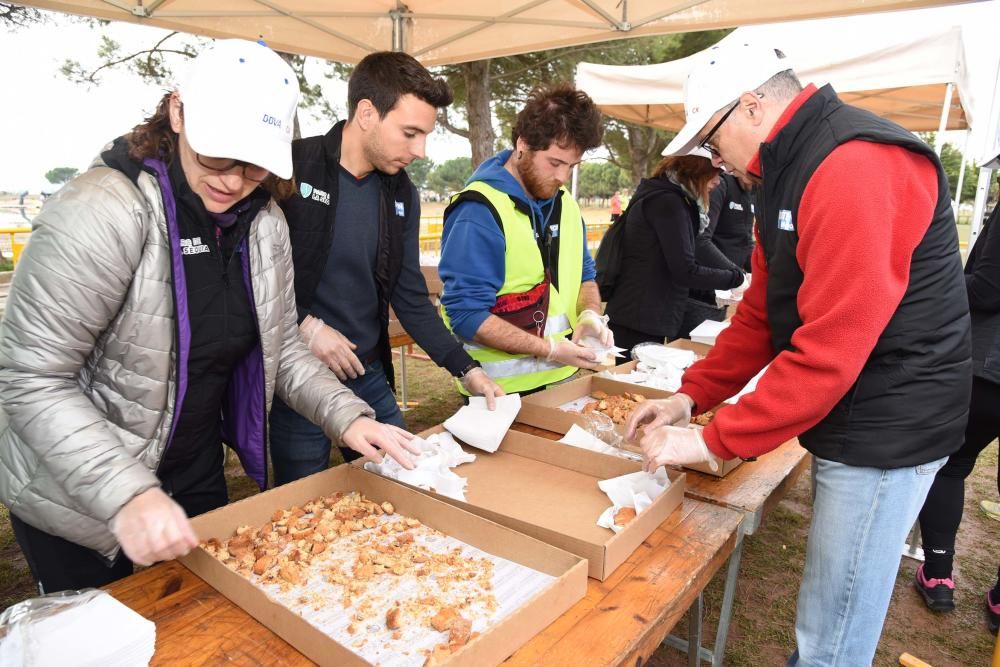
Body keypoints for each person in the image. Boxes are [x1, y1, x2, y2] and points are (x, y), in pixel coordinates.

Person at [0, 40, 418, 594]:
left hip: (192, 465)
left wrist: (348, 416)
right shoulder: (103, 210)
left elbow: (283, 347)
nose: (232, 180)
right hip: (78, 487)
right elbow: (31, 377)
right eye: (218, 157)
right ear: (177, 112)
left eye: (255, 167)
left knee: (195, 614)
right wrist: (127, 491)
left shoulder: (264, 221)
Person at [626, 41, 971, 664]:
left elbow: (830, 349)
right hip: (861, 405)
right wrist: (690, 396)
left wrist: (709, 441)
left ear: (752, 106)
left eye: (711, 139)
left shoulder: (853, 164)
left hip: (892, 420)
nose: (714, 160)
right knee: (828, 605)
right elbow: (765, 309)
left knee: (834, 627)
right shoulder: (789, 167)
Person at [268, 51, 502, 485]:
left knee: (406, 484)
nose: (420, 151)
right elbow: (251, 280)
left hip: (368, 374)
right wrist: (306, 327)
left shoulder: (402, 195)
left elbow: (409, 295)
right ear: (366, 112)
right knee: (302, 507)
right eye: (410, 133)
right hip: (296, 380)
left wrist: (465, 368)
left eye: (426, 136)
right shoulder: (289, 167)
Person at [438, 84, 612, 395]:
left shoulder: (567, 204)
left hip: (565, 379)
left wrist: (590, 314)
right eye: (555, 163)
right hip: (498, 393)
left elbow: (585, 276)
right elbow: (465, 315)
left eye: (571, 166)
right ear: (522, 144)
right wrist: (549, 349)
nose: (562, 177)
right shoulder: (478, 211)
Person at [915, 181, 1000, 635]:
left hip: (989, 368)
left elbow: (988, 288)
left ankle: (939, 571)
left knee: (949, 463)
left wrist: (935, 277)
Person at [604, 155, 745, 357]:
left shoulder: (670, 198)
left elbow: (690, 249)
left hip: (643, 313)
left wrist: (732, 275)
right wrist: (734, 278)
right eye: (715, 174)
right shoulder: (669, 203)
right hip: (640, 316)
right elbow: (685, 270)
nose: (718, 181)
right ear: (697, 171)